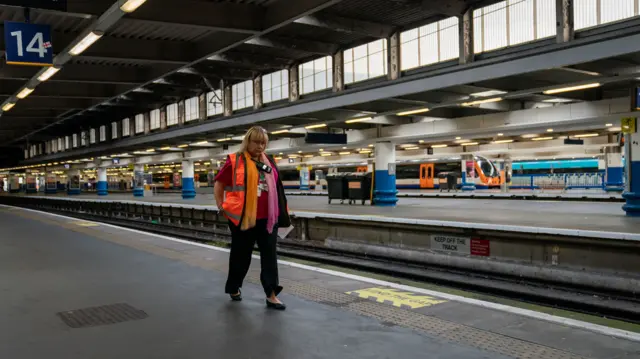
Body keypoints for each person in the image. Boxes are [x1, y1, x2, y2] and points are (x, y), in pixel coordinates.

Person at [214, 126, 291, 310]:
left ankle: (271, 295)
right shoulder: (235, 161)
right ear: (247, 141)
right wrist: (220, 206)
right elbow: (219, 183)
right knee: (241, 256)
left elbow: (278, 189)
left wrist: (284, 212)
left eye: (263, 142)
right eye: (256, 142)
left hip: (268, 219)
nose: (260, 146)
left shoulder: (270, 162)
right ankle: (234, 287)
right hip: (243, 219)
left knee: (270, 257)